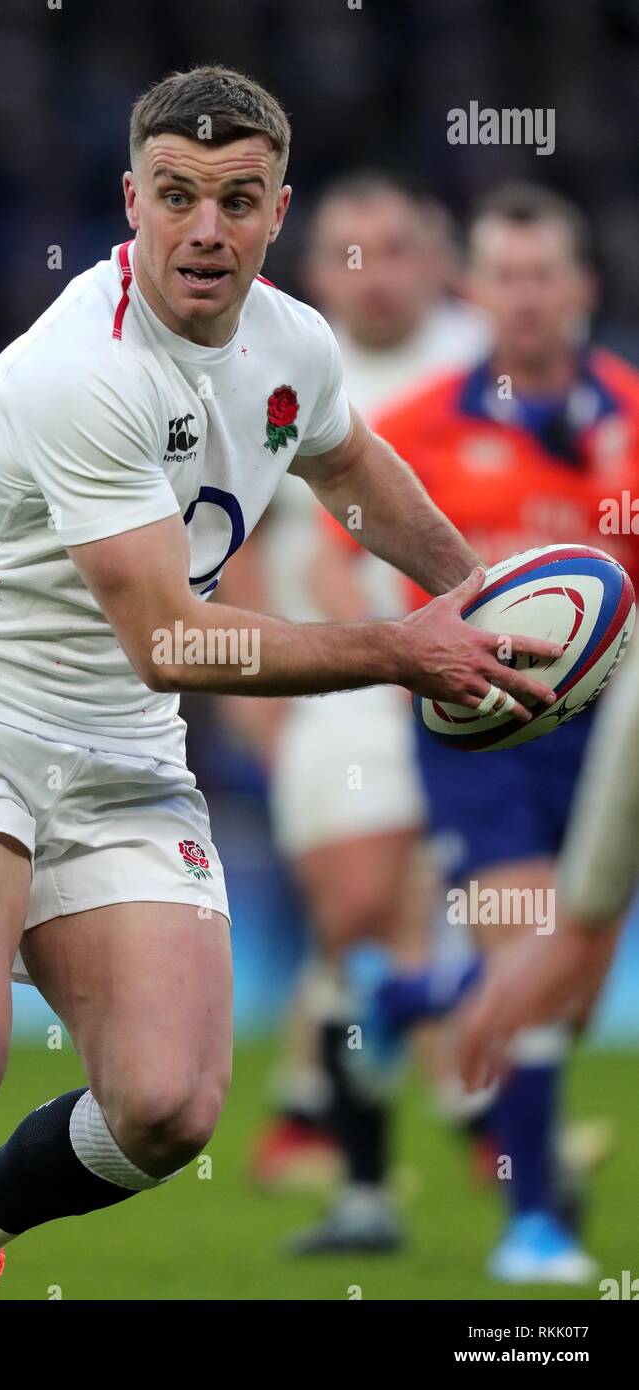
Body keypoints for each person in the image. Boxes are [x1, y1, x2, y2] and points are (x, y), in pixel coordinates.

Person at [0, 67, 558, 1301]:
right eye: (176, 196)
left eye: (237, 199)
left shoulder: (291, 340)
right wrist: (404, 649)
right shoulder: (75, 367)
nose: (206, 229)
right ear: (134, 200)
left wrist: (476, 597)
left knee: (168, 1108)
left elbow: (347, 467)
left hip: (118, 747)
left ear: (279, 209)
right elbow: (174, 643)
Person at [320, 181, 639, 1282]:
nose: (523, 296)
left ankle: (400, 995)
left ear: (580, 288)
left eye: (542, 272)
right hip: (478, 738)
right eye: (502, 275)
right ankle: (532, 1223)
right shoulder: (414, 428)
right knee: (531, 945)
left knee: (575, 980)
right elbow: (331, 547)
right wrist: (377, 653)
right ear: (474, 291)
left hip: (609, 736)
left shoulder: (633, 419)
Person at [218, 174, 489, 1249]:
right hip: (332, 685)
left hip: (473, 676)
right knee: (360, 909)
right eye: (346, 251)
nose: (369, 275)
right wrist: (248, 695)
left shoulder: (482, 364)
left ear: (436, 260)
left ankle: (362, 1137)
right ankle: (445, 1121)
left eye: (392, 248)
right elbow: (224, 541)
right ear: (314, 260)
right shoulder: (271, 364)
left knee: (475, 908)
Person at [458, 633, 639, 1090]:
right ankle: (522, 1160)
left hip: (594, 712)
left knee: (575, 999)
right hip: (488, 704)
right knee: (527, 931)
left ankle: (406, 996)